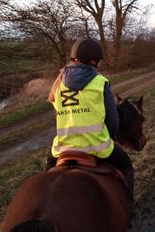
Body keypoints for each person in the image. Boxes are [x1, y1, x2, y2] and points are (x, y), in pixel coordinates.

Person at [46, 38, 135, 220]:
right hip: (96, 146)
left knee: (48, 173)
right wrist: (107, 136)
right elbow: (112, 122)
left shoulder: (59, 82)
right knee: (126, 165)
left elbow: (56, 108)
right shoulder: (100, 82)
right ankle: (130, 207)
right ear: (94, 60)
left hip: (63, 147)